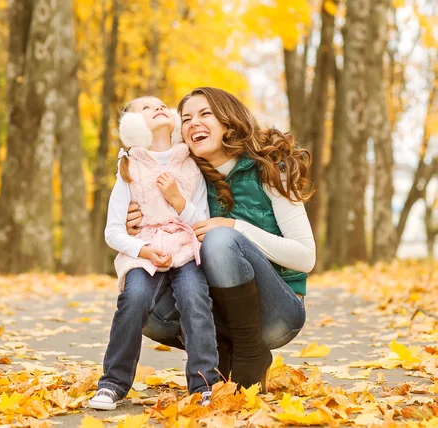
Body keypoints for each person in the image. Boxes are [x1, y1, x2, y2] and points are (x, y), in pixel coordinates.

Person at [127, 87, 316, 393]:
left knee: (219, 239)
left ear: (228, 120)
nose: (193, 123)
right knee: (139, 300)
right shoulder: (187, 177)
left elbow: (306, 257)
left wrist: (234, 226)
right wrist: (134, 223)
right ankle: (223, 351)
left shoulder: (270, 166)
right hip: (220, 313)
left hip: (279, 313)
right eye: (186, 118)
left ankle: (249, 352)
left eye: (205, 114)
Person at [88, 96, 219, 410]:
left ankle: (204, 386)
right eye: (145, 108)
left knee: (194, 298)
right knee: (133, 299)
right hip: (145, 250)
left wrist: (178, 201)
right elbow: (113, 231)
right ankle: (112, 384)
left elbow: (201, 220)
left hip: (186, 248)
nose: (158, 108)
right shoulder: (129, 167)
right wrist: (143, 249)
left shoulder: (190, 164)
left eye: (161, 104)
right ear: (134, 126)